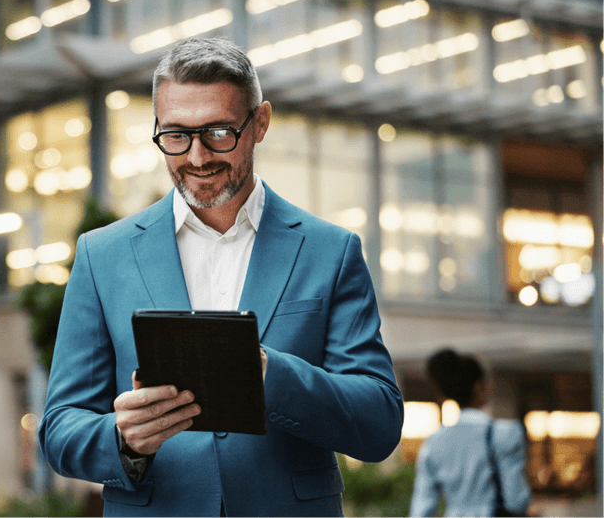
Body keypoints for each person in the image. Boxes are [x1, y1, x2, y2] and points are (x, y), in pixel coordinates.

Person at [38, 37, 403, 517]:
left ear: (260, 124)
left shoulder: (330, 252)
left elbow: (378, 421)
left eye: (218, 132)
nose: (196, 156)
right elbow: (60, 428)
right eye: (175, 135)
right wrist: (124, 440)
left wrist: (269, 375)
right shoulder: (101, 255)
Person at [410, 349, 531, 517]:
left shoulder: (433, 443)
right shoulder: (504, 434)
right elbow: (516, 502)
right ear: (479, 386)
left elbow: (421, 510)